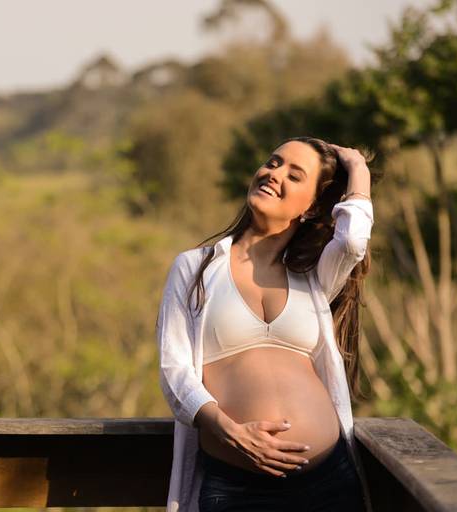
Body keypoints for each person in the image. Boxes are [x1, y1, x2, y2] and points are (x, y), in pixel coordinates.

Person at [156, 136, 380, 512]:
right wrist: (233, 434)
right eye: (273, 163)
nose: (274, 174)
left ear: (310, 209)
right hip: (237, 487)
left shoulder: (314, 274)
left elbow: (354, 240)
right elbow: (174, 371)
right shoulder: (195, 268)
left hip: (328, 481)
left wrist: (357, 166)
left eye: (294, 175)